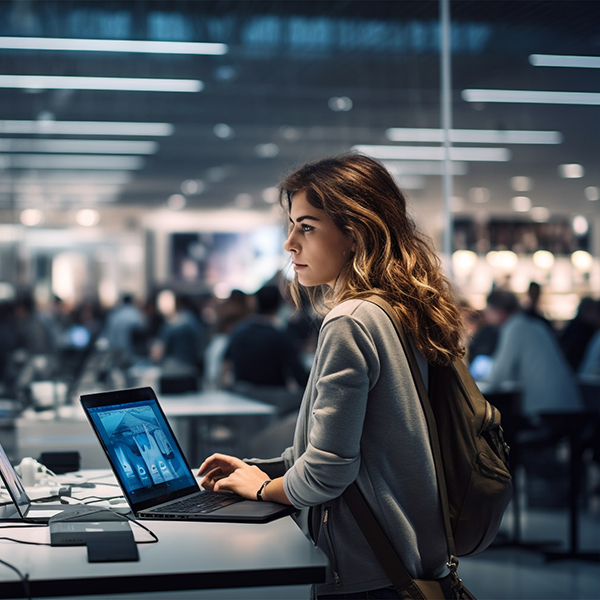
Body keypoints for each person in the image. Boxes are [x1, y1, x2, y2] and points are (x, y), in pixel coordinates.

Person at [199, 154, 465, 598]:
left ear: (354, 232)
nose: (289, 244)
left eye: (306, 226)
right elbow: (362, 445)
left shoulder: (351, 320)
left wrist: (264, 488)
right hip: (412, 554)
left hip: (369, 567)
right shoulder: (397, 309)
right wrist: (265, 470)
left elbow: (327, 473)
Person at [482, 289, 582, 417]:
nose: (486, 316)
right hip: (568, 402)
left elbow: (499, 375)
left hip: (548, 410)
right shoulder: (535, 325)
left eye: (488, 311)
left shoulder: (514, 328)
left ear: (499, 312)